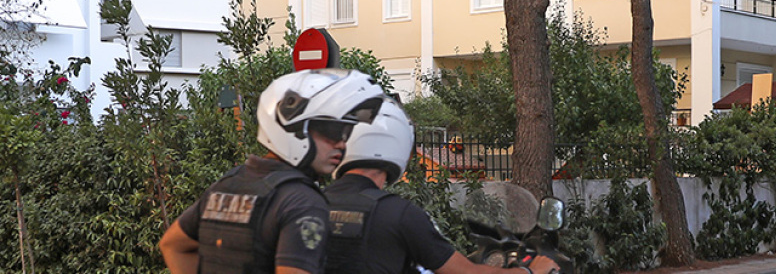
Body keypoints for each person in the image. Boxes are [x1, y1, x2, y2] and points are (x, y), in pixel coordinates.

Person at [160, 68, 385, 274]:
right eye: (333, 131)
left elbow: (173, 245)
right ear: (294, 128)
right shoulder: (302, 201)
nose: (342, 143)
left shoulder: (227, 184)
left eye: (346, 133)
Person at [324, 99, 560, 274]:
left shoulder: (314, 202)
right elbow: (465, 272)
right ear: (397, 146)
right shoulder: (398, 214)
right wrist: (531, 271)